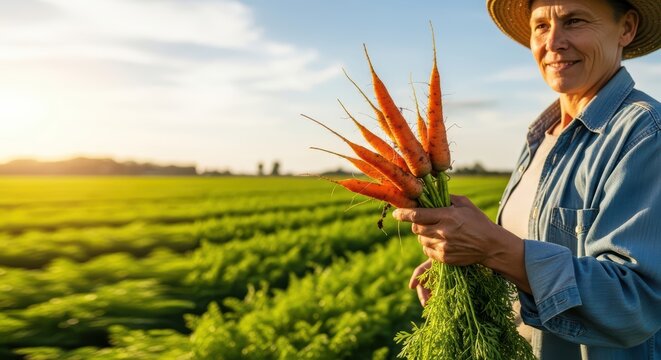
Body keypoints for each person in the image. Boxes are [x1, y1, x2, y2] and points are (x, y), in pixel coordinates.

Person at [393, 0, 661, 358]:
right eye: (541, 26)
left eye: (574, 21)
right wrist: (476, 261)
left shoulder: (645, 134)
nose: (553, 43)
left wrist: (495, 247)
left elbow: (636, 304)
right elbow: (534, 250)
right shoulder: (541, 136)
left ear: (626, 28)